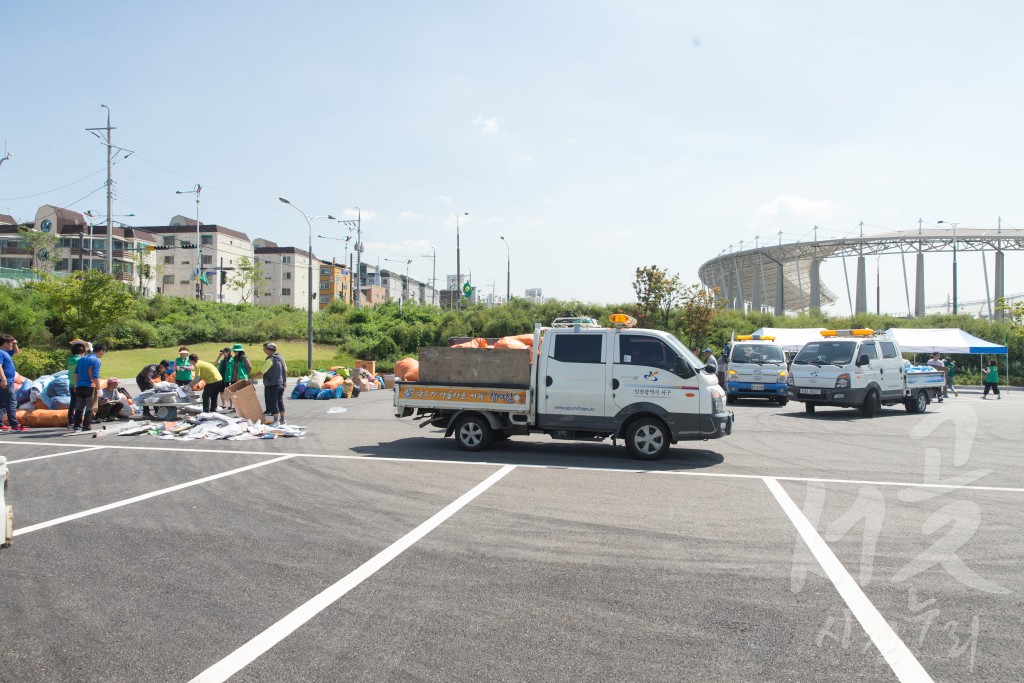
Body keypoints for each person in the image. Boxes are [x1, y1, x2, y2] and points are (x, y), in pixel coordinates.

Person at [71, 342, 107, 432]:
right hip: (90, 387)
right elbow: (95, 376)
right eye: (104, 352)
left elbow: (76, 374)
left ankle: (76, 425)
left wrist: (76, 385)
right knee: (90, 407)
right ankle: (86, 426)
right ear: (101, 351)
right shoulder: (96, 361)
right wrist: (99, 389)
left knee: (79, 407)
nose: (103, 354)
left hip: (79, 386)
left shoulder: (82, 359)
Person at [251, 342, 287, 427]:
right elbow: (285, 371)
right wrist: (284, 382)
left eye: (265, 349)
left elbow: (261, 372)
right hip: (281, 384)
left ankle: (276, 421)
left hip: (272, 384)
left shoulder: (270, 360)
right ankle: (282, 420)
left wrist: (252, 378)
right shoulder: (281, 358)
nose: (264, 350)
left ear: (269, 350)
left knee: (273, 402)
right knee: (280, 401)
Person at [0, 334, 26, 432]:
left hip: (6, 381)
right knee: (11, 403)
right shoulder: (0, 353)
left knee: (1, 404)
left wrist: (15, 344)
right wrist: (4, 379)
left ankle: (0, 424)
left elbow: (16, 352)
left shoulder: (5, 352)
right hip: (6, 382)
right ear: (5, 343)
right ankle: (15, 425)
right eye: (10, 343)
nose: (11, 345)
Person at [221, 344, 253, 412]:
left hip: (242, 378)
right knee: (234, 393)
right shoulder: (234, 359)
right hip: (234, 378)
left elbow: (249, 367)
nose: (235, 352)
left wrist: (245, 373)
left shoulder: (244, 358)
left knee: (242, 393)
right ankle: (236, 407)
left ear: (240, 351)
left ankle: (244, 407)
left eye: (236, 351)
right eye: (234, 351)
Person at [66, 340, 87, 428]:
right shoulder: (80, 360)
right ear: (81, 352)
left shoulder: (69, 359)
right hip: (79, 384)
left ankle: (70, 422)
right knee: (80, 404)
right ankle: (77, 422)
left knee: (72, 404)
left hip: (71, 383)